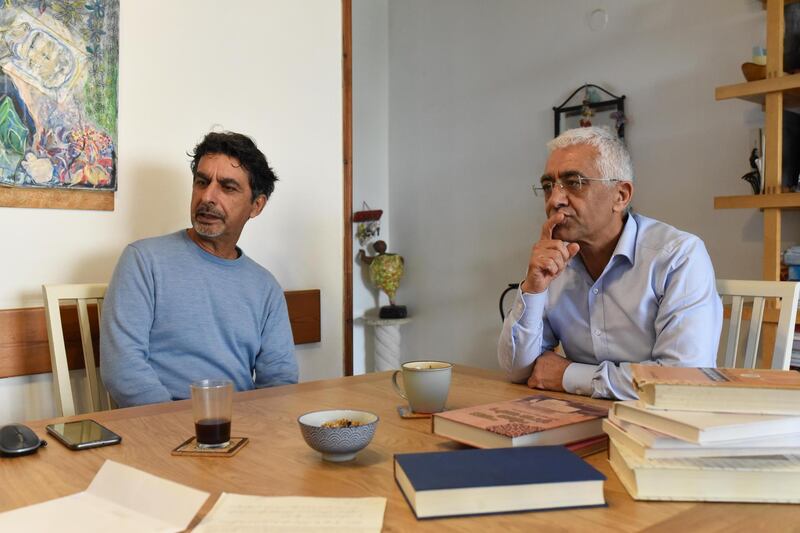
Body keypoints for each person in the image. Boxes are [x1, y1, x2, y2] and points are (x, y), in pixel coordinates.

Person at [497, 127, 722, 400]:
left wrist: (569, 376)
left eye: (574, 182)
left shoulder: (678, 256)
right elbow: (517, 370)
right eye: (548, 187)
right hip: (581, 420)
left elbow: (683, 380)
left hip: (660, 428)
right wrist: (532, 288)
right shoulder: (554, 261)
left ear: (621, 195)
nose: (555, 200)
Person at [100, 131, 298, 407]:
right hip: (162, 429)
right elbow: (123, 371)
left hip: (240, 430)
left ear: (256, 205)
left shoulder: (265, 287)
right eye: (202, 182)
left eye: (227, 187)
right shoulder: (143, 261)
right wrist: (182, 428)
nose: (208, 196)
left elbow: (279, 380)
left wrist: (256, 430)